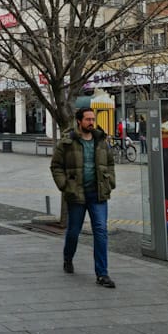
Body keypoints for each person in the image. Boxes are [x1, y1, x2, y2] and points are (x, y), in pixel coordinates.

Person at [50, 107, 117, 289]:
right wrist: (65, 185)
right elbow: (56, 166)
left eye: (92, 119)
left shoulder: (101, 140)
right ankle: (68, 258)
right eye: (87, 119)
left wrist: (110, 181)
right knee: (73, 231)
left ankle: (102, 274)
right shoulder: (68, 142)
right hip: (76, 194)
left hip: (98, 194)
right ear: (79, 121)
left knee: (101, 231)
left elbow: (110, 163)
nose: (91, 122)